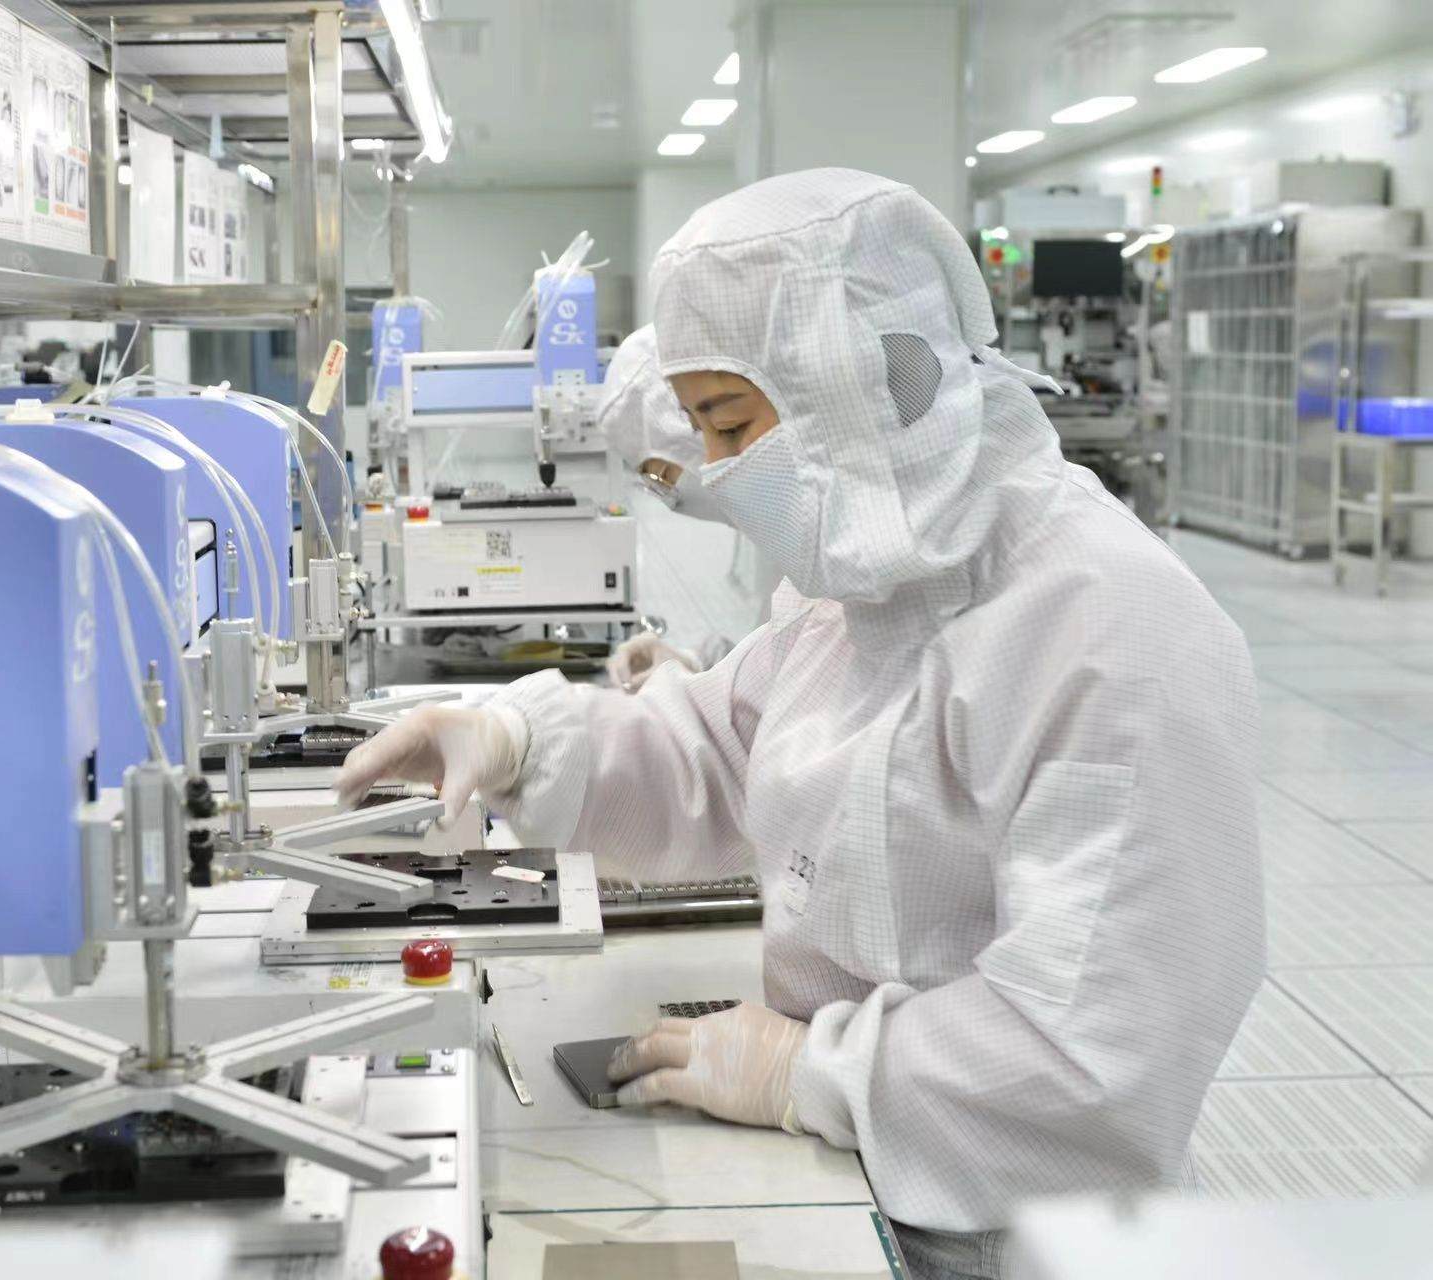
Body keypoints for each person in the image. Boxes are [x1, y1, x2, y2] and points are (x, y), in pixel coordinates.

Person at [337, 168, 1263, 1279]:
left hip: (1027, 1232)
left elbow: (1099, 1046)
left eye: (731, 423)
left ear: (864, 382)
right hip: (856, 1170)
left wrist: (806, 1071)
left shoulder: (1112, 628)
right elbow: (719, 750)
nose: (718, 474)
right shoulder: (866, 587)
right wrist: (519, 738)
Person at [597, 324, 775, 692]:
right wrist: (695, 665)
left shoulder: (832, 537)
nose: (671, 497)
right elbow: (778, 660)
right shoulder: (775, 535)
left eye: (662, 477)